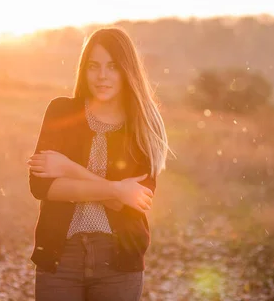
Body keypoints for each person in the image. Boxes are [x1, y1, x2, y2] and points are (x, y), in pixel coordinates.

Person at [27, 27, 172, 301]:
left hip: (118, 259)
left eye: (112, 67)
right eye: (94, 66)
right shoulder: (61, 111)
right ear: (84, 69)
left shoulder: (143, 124)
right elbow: (41, 186)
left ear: (127, 70)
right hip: (60, 254)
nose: (102, 76)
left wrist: (69, 169)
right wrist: (116, 190)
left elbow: (134, 199)